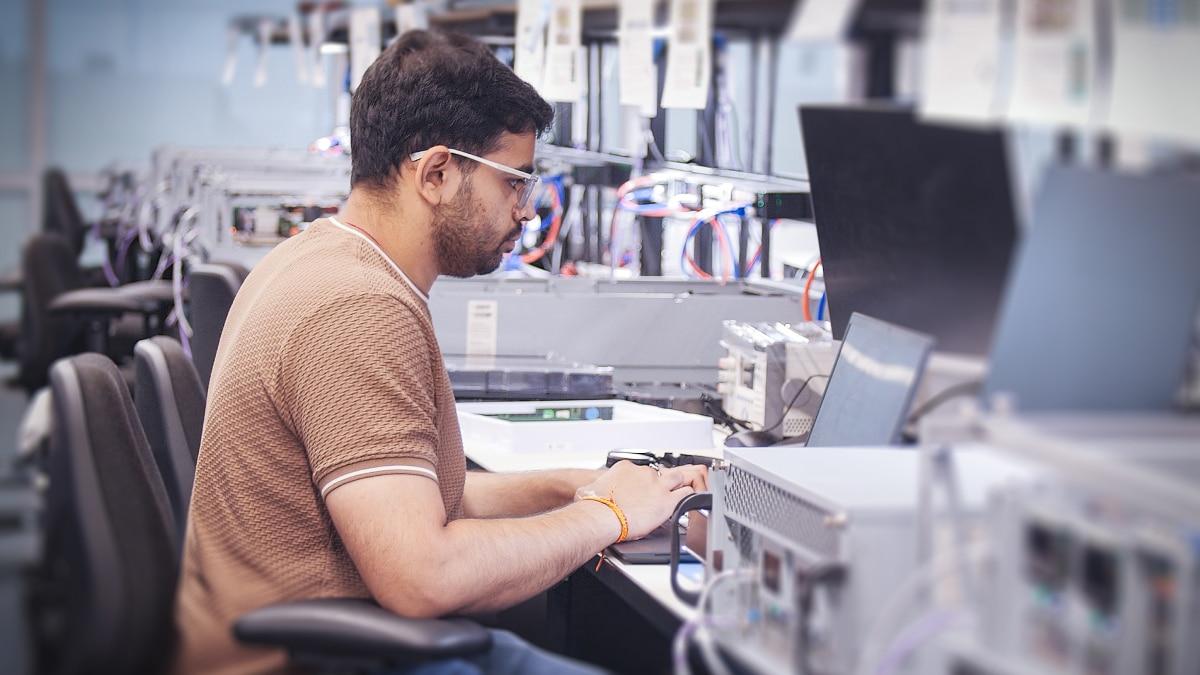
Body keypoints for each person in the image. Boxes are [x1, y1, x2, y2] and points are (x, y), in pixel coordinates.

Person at [172, 29, 707, 674]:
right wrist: (610, 515)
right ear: (436, 173)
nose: (527, 213)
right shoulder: (354, 308)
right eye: (515, 184)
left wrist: (573, 488)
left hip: (345, 637)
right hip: (327, 659)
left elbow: (418, 501)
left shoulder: (321, 258)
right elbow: (422, 576)